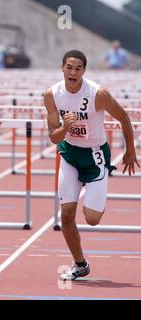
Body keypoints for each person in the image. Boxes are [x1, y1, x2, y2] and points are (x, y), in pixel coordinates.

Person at [44, 50, 139, 281]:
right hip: (69, 155)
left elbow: (124, 117)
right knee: (66, 215)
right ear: (62, 68)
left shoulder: (98, 94)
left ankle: (98, 189)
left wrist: (130, 150)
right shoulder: (52, 94)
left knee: (92, 219)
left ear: (84, 71)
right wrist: (66, 128)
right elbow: (53, 138)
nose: (73, 72)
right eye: (69, 67)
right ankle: (80, 264)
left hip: (95, 156)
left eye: (78, 68)